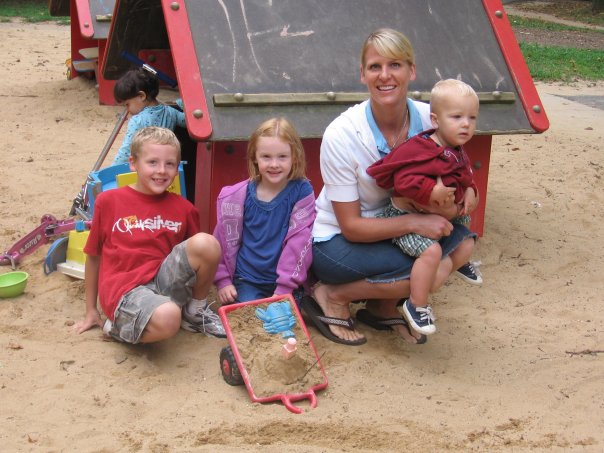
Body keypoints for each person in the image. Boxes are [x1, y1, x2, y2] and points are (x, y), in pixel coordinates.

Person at [301, 28, 476, 346]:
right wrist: (416, 222)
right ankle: (332, 295)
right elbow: (351, 227)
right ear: (362, 74)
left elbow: (458, 164)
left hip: (398, 229)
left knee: (463, 245)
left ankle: (381, 307)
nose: (385, 75)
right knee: (433, 267)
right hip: (340, 241)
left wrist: (468, 191)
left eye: (395, 64)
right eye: (375, 67)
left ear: (412, 70)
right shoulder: (342, 134)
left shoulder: (431, 118)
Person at [74, 127, 225, 343]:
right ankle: (114, 328)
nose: (161, 171)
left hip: (164, 282)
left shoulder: (184, 208)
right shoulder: (109, 202)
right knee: (169, 317)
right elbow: (93, 256)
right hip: (127, 290)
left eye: (169, 164)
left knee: (207, 243)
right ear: (133, 163)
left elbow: (190, 260)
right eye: (152, 162)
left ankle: (195, 311)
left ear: (177, 168)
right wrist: (91, 310)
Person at [366, 79, 480, 335]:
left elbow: (466, 174)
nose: (466, 124)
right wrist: (431, 191)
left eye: (472, 118)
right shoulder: (422, 149)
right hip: (405, 218)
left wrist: (471, 190)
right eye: (457, 117)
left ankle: (458, 262)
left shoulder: (456, 149)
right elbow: (402, 181)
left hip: (439, 215)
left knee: (467, 234)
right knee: (431, 253)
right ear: (436, 120)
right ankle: (416, 304)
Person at [213, 118, 316, 304]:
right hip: (248, 279)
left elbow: (299, 241)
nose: (274, 164)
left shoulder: (301, 191)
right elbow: (221, 237)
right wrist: (223, 281)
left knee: (282, 319)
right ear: (255, 157)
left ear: (294, 156)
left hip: (285, 281)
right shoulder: (237, 197)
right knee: (252, 316)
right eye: (266, 157)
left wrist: (284, 288)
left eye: (282, 156)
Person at [111, 68, 186, 166]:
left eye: (127, 104)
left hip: (147, 165)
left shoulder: (137, 120)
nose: (127, 110)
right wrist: (182, 102)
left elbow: (126, 150)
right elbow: (187, 122)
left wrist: (113, 169)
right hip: (166, 163)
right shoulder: (171, 112)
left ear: (141, 96)